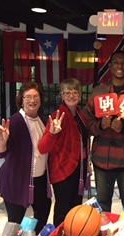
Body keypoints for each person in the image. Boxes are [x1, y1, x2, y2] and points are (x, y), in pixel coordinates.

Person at [84, 50, 124, 212]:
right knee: (102, 205)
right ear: (110, 66)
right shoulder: (99, 91)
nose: (119, 66)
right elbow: (87, 123)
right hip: (102, 161)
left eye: (123, 63)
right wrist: (101, 125)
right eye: (115, 62)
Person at [0, 82, 51, 234]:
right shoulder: (15, 121)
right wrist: (2, 141)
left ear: (40, 99)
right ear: (21, 100)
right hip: (17, 181)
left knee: (43, 213)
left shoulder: (44, 121)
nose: (32, 100)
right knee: (14, 224)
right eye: (28, 97)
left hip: (40, 180)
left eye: (35, 96)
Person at [38, 78, 91, 227]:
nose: (71, 96)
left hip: (78, 168)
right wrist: (52, 133)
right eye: (67, 93)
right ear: (62, 95)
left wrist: (87, 163)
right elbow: (43, 148)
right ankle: (60, 235)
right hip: (63, 170)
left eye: (75, 92)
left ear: (80, 96)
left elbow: (83, 142)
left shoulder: (81, 114)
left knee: (75, 208)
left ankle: (73, 234)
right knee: (63, 209)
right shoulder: (57, 116)